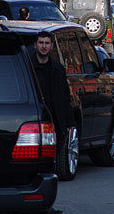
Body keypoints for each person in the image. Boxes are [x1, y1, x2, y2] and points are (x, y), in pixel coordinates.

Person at [31, 32, 76, 177]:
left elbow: (64, 97)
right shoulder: (28, 68)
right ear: (35, 45)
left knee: (55, 150)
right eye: (41, 43)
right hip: (35, 117)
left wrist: (69, 122)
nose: (43, 46)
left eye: (47, 43)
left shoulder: (58, 69)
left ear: (51, 47)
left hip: (56, 119)